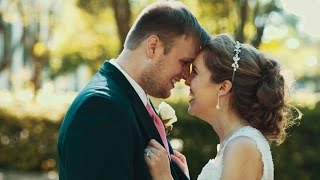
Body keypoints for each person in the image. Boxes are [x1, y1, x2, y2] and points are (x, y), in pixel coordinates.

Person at [57, 1, 209, 180]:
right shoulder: (101, 108)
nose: (186, 75)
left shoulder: (132, 98)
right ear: (153, 47)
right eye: (184, 62)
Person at [144, 34, 299, 180]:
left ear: (223, 87)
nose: (187, 80)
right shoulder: (235, 144)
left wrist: (165, 178)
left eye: (196, 72)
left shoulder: (242, 146)